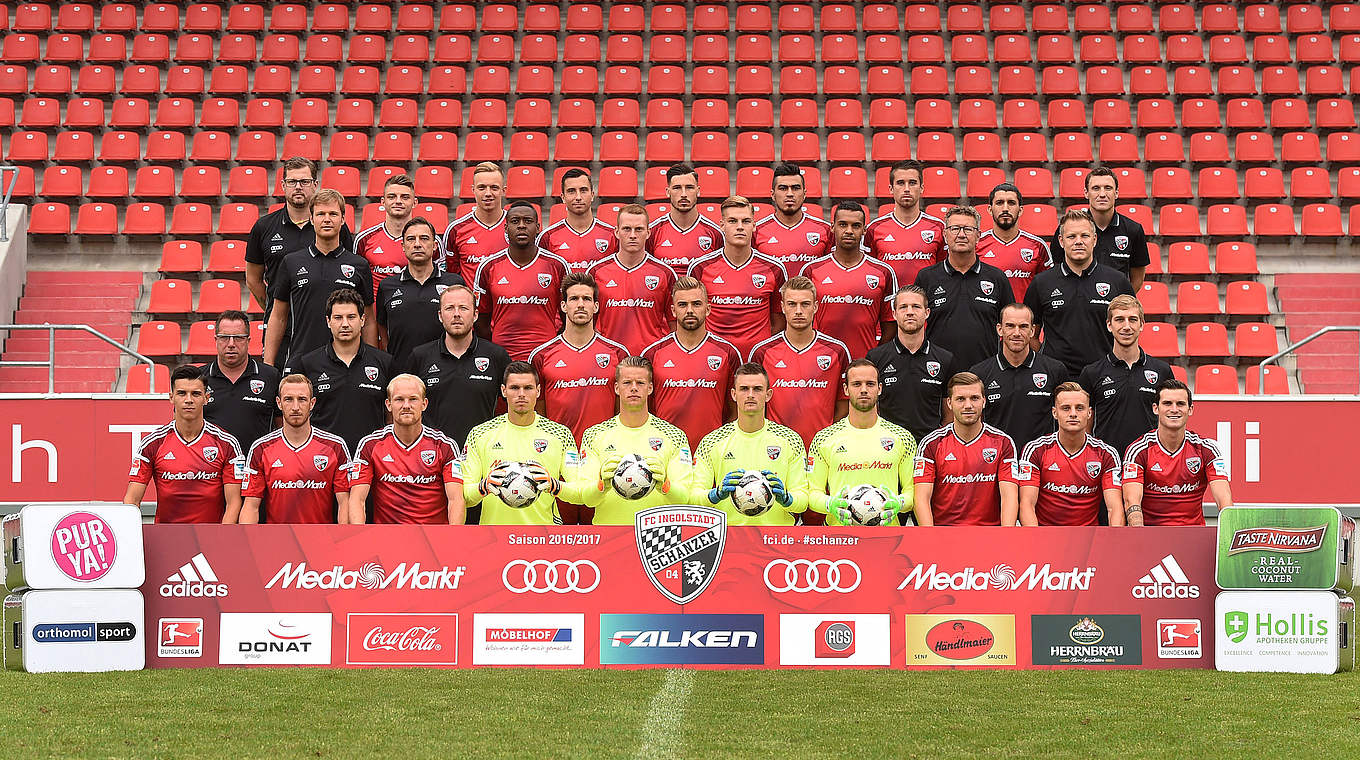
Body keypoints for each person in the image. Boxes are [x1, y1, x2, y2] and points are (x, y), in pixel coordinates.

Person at [245, 156, 354, 346]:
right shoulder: (264, 227)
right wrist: (277, 308)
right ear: (282, 185)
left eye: (304, 181)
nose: (298, 187)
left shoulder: (335, 227)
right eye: (292, 181)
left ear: (315, 185)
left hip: (330, 328)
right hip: (281, 329)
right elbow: (253, 279)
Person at [462, 362, 587, 526]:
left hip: (543, 537)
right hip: (495, 537)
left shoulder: (560, 434)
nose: (521, 394)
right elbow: (464, 496)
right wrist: (483, 486)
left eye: (528, 388)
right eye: (514, 388)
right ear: (503, 391)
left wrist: (554, 485)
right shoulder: (479, 434)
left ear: (538, 391)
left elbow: (580, 492)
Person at [263, 189, 375, 367]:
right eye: (321, 214)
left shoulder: (359, 265)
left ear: (343, 219)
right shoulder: (291, 262)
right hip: (301, 361)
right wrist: (268, 364)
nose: (327, 219)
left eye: (333, 214)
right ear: (311, 219)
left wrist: (371, 361)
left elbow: (368, 320)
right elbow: (278, 317)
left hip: (347, 363)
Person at [576, 356, 694, 525]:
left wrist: (666, 485)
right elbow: (588, 499)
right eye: (627, 383)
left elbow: (684, 499)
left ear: (650, 388)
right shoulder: (594, 435)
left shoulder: (674, 435)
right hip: (609, 535)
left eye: (640, 383)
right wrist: (602, 485)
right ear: (617, 388)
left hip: (658, 536)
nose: (633, 388)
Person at [124, 365, 244, 523]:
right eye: (181, 393)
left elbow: (234, 504)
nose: (189, 400)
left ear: (206, 398)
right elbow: (131, 501)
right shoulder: (152, 443)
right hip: (166, 539)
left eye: (195, 394)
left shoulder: (227, 443)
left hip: (210, 540)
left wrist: (220, 539)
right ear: (171, 397)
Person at [693, 363, 809, 526]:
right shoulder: (712, 441)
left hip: (777, 538)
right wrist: (716, 494)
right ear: (733, 394)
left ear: (768, 394)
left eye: (757, 389)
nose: (750, 395)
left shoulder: (790, 439)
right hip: (730, 536)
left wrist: (786, 498)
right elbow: (693, 497)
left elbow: (803, 500)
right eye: (744, 389)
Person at [1025, 207, 1136, 376]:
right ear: (1061, 241)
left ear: (1095, 239)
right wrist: (1047, 361)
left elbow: (1130, 328)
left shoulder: (1118, 281)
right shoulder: (1042, 282)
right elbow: (1030, 333)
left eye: (1084, 236)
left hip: (1105, 375)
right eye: (1071, 236)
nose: (1078, 241)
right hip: (1057, 377)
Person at [807, 360, 918, 527]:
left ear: (880, 388)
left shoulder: (903, 438)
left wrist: (898, 503)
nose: (864, 390)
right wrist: (831, 505)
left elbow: (913, 493)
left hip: (887, 537)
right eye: (857, 384)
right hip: (840, 539)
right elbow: (813, 494)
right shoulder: (824, 438)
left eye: (870, 384)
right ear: (846, 389)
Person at [285, 288, 393, 454]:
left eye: (351, 317)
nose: (345, 324)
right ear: (328, 321)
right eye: (338, 318)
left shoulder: (384, 362)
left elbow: (391, 416)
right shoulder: (308, 364)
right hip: (323, 461)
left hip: (371, 459)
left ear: (362, 320)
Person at [748, 276, 851, 448]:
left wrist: (829, 440)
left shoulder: (837, 351)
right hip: (775, 450)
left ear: (815, 307)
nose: (798, 311)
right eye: (792, 304)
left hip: (822, 450)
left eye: (805, 304)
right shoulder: (762, 352)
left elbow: (843, 404)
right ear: (782, 307)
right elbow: (754, 406)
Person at [641, 277, 743, 451]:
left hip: (712, 453)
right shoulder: (653, 354)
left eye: (696, 304)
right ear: (673, 310)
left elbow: (735, 411)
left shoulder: (728, 353)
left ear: (708, 309)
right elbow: (645, 410)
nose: (689, 310)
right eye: (682, 305)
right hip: (665, 452)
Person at [403, 285, 512, 447]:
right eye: (449, 308)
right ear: (440, 316)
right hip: (432, 456)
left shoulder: (496, 356)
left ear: (475, 315)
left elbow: (515, 405)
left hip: (482, 451)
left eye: (463, 308)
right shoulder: (420, 357)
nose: (456, 314)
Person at [349, 374, 465, 524]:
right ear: (388, 404)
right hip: (388, 541)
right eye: (399, 399)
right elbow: (357, 500)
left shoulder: (444, 445)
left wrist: (451, 542)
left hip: (433, 542)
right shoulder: (370, 445)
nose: (406, 405)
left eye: (413, 399)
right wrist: (360, 540)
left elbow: (456, 500)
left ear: (424, 404)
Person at [238, 374, 351, 524]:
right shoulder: (261, 448)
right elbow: (251, 506)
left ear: (312, 403)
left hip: (322, 542)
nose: (296, 407)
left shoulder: (335, 446)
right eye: (288, 399)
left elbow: (345, 503)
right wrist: (249, 543)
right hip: (277, 542)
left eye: (302, 399)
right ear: (279, 403)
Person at [912, 205, 1015, 370]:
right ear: (945, 235)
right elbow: (913, 326)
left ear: (978, 236)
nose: (961, 235)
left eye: (968, 229)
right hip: (936, 371)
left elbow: (1010, 326)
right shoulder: (927, 277)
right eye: (954, 229)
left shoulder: (996, 278)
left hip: (985, 373)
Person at [530, 273, 629, 443]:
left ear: (596, 306)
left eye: (587, 299)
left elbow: (623, 412)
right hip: (559, 451)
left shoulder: (617, 354)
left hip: (604, 451)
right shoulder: (541, 355)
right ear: (563, 305)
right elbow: (538, 414)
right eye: (574, 298)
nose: (581, 304)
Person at [687, 195, 788, 358]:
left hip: (757, 363)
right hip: (713, 359)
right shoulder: (700, 268)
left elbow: (779, 321)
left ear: (754, 226)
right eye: (733, 221)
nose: (740, 227)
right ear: (722, 225)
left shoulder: (774, 269)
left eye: (746, 221)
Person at [1122, 379, 1232, 527]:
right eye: (1167, 403)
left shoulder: (1206, 449)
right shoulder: (1138, 450)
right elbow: (1131, 502)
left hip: (1193, 536)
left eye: (1180, 404)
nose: (1174, 409)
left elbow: (1224, 500)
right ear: (1156, 408)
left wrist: (1228, 534)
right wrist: (1141, 537)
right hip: (1151, 536)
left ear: (1190, 409)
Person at [913, 373, 1019, 526]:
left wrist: (1005, 538)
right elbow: (921, 498)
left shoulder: (1003, 442)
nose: (968, 405)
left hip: (989, 535)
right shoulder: (931, 443)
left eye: (974, 398)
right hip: (945, 536)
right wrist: (931, 538)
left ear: (984, 401)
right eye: (961, 399)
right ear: (949, 403)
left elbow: (1009, 497)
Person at [797, 200, 896, 361]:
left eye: (855, 226)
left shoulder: (883, 272)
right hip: (820, 362)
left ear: (864, 229)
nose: (849, 231)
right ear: (832, 227)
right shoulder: (811, 270)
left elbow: (890, 325)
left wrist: (876, 358)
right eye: (843, 225)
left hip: (865, 362)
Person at [1078, 295, 1176, 456]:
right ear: (1109, 325)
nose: (1126, 326)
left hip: (1150, 463)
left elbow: (1169, 420)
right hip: (1108, 464)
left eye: (1132, 319)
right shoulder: (1092, 373)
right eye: (1119, 320)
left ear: (1142, 324)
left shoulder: (1162, 371)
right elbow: (1084, 426)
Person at [1017, 382, 1124, 527]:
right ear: (1055, 413)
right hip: (1046, 536)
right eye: (1066, 408)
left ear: (1089, 413)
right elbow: (1027, 505)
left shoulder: (1106, 454)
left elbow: (1114, 508)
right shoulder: (1036, 450)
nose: (1073, 413)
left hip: (1088, 540)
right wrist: (1038, 543)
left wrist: (1114, 541)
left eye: (1079, 408)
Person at [474, 201, 569, 360]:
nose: (522, 226)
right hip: (502, 356)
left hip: (546, 356)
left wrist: (553, 345)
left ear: (538, 228)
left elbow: (568, 315)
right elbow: (481, 320)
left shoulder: (557, 266)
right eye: (515, 221)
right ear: (506, 228)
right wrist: (496, 348)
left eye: (528, 221)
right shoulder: (489, 267)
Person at [970, 303, 1070, 448]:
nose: (1017, 333)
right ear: (1000, 329)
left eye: (1023, 326)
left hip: (1041, 462)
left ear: (1032, 331)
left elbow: (1066, 419)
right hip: (996, 460)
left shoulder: (1055, 370)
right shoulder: (980, 373)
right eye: (1010, 326)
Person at [866, 286, 956, 442]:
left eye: (916, 306)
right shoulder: (876, 357)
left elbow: (949, 414)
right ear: (894, 314)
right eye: (903, 307)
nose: (909, 312)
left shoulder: (945, 359)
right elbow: (870, 408)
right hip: (888, 447)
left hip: (929, 449)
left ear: (927, 313)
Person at [375, 216, 466, 369]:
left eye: (424, 238)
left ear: (435, 245)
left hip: (445, 370)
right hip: (401, 372)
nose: (417, 244)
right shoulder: (387, 286)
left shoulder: (454, 283)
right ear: (403, 246)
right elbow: (382, 327)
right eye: (411, 239)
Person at [590, 204, 677, 354]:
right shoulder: (596, 272)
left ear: (648, 233)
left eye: (639, 229)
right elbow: (588, 322)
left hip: (650, 359)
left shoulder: (664, 273)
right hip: (610, 358)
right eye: (626, 229)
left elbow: (674, 324)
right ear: (616, 232)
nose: (632, 235)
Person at [1049, 167, 1149, 291]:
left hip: (1114, 306)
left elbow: (1138, 276)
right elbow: (1057, 269)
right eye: (1096, 188)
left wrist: (1122, 302)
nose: (1102, 194)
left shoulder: (1133, 230)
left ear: (1116, 193)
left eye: (1108, 188)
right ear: (1086, 193)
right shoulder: (1069, 228)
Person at [200, 309, 279, 452]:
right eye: (224, 337)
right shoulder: (199, 379)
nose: (231, 344)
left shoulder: (270, 376)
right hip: (212, 468)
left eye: (238, 337)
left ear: (248, 340)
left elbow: (282, 427)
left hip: (257, 467)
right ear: (215, 340)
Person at [863, 159, 946, 287]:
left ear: (922, 188)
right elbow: (869, 274)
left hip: (926, 304)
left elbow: (944, 272)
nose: (906, 189)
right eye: (900, 183)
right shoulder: (874, 229)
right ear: (891, 189)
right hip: (889, 304)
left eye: (912, 183)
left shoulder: (939, 228)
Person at [976, 183, 1052, 301]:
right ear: (990, 210)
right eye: (999, 203)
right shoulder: (976, 245)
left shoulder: (1038, 246)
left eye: (1011, 203)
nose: (1005, 208)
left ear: (1020, 210)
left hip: (1025, 318)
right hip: (988, 318)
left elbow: (1049, 286)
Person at [754, 162, 832, 273]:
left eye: (795, 188)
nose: (790, 194)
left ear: (804, 194)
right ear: (772, 194)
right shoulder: (756, 231)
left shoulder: (825, 230)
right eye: (783, 188)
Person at [647, 162, 723, 277]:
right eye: (677, 188)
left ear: (698, 191)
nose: (683, 194)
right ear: (668, 192)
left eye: (689, 188)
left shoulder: (715, 233)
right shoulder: (653, 231)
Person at [539, 167, 617, 273]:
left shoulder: (612, 234)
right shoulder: (547, 237)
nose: (578, 197)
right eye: (571, 191)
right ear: (563, 197)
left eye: (583, 190)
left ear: (592, 195)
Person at [354, 174, 418, 298]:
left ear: (414, 202)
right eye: (392, 197)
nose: (398, 201)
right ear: (383, 202)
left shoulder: (428, 240)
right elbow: (357, 282)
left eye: (405, 197)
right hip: (376, 314)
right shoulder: (364, 239)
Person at [444, 161, 508, 283]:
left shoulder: (515, 227)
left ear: (503, 191)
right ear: (473, 190)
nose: (488, 193)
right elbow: (451, 275)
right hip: (471, 301)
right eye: (482, 187)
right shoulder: (456, 230)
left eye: (494, 187)